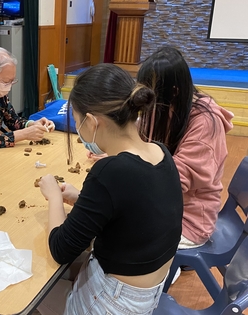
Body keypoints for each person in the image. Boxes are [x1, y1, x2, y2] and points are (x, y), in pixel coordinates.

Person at [36, 64, 183, 315]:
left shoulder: (110, 171)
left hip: (115, 302)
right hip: (145, 295)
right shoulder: (160, 152)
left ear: (92, 122)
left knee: (31, 299)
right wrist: (81, 198)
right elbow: (131, 211)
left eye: (78, 120)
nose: (79, 129)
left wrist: (53, 198)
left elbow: (60, 249)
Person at [137, 47, 233, 248]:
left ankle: (167, 267)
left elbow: (174, 181)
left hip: (189, 220)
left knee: (117, 231)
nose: (145, 100)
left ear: (174, 92)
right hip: (165, 206)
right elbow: (141, 136)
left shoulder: (206, 123)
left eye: (150, 92)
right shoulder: (163, 107)